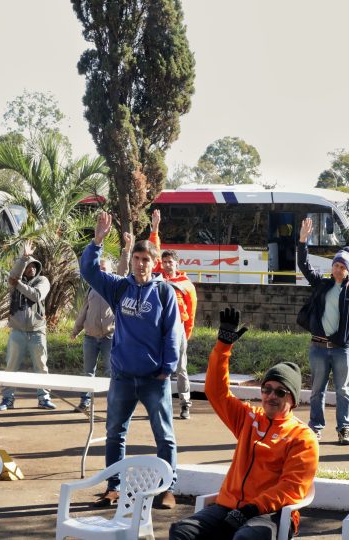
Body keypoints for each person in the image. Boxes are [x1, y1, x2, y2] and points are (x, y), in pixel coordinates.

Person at [170, 307, 318, 540]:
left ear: (293, 399)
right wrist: (223, 346)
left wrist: (251, 508)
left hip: (270, 513)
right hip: (228, 507)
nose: (271, 396)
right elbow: (215, 391)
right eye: (267, 389)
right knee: (182, 532)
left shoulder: (302, 437)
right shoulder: (249, 417)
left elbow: (292, 487)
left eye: (280, 392)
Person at [80, 211, 179, 509]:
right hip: (122, 376)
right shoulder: (120, 287)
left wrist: (167, 368)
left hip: (153, 379)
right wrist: (97, 241)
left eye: (145, 259)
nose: (140, 263)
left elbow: (172, 332)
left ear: (154, 262)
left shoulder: (163, 291)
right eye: (136, 258)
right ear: (132, 261)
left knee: (164, 436)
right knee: (115, 434)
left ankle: (167, 488)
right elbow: (90, 272)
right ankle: (114, 487)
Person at [297, 217, 349, 445]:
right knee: (317, 391)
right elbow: (304, 266)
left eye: (343, 267)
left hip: (342, 350)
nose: (338, 270)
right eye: (336, 265)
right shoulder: (322, 285)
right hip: (318, 348)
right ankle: (316, 428)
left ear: (348, 271)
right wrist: (302, 242)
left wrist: (348, 336)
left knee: (343, 391)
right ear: (332, 267)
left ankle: (344, 429)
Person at [149, 209, 198, 420]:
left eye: (171, 262)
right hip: (158, 331)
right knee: (159, 369)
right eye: (165, 261)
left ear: (177, 264)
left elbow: (192, 312)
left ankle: (185, 403)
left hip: (178, 333)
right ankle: (160, 404)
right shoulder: (158, 277)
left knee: (181, 369)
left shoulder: (186, 284)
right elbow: (154, 249)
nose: (167, 264)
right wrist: (155, 227)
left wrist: (186, 334)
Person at [0, 241, 56, 411]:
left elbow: (37, 295)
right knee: (11, 366)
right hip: (18, 332)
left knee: (41, 366)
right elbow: (13, 276)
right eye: (28, 266)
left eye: (33, 266)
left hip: (37, 332)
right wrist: (24, 258)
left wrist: (19, 284)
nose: (31, 269)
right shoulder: (14, 283)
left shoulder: (43, 280)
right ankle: (7, 399)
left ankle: (44, 398)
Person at [71, 243, 129, 414]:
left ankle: (115, 404)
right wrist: (76, 329)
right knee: (88, 372)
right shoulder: (93, 288)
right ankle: (85, 402)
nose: (101, 271)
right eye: (99, 268)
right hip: (90, 337)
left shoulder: (116, 287)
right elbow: (84, 311)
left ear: (111, 271)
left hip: (109, 338)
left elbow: (124, 271)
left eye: (105, 268)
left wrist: (126, 252)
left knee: (113, 372)